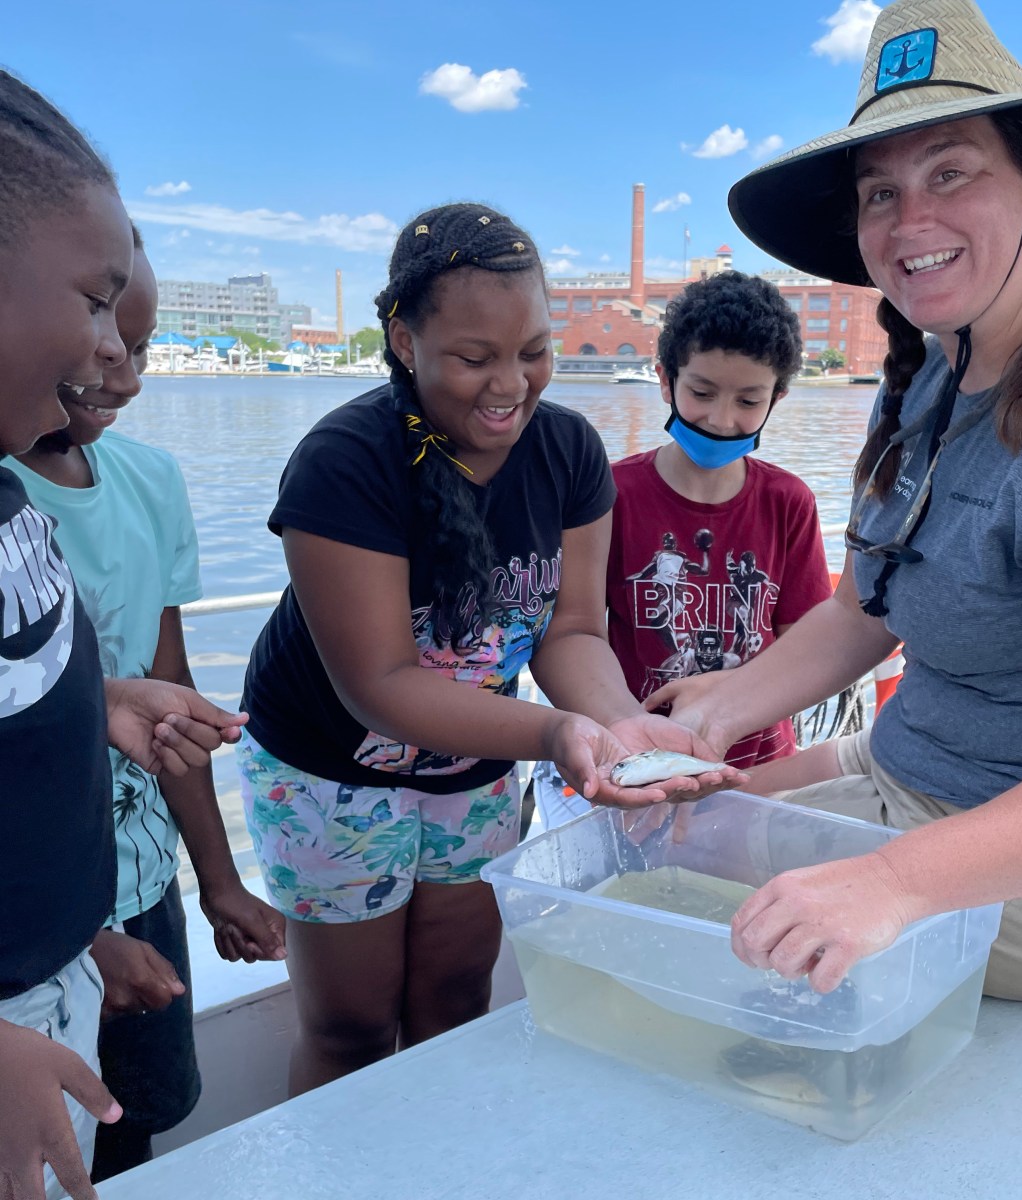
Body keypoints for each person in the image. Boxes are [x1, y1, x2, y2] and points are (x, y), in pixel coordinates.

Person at [649, 0, 1022, 1006]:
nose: (910, 223)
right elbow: (869, 606)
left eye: (951, 172)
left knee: (681, 906)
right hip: (919, 772)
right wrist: (711, 718)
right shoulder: (937, 373)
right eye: (880, 192)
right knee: (661, 829)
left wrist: (890, 885)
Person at [236, 203, 743, 1096]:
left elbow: (571, 630)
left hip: (474, 759)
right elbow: (380, 684)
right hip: (327, 765)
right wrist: (552, 736)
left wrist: (626, 732)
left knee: (456, 993)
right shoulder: (343, 463)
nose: (510, 385)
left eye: (533, 351)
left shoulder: (568, 452)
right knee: (352, 1027)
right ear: (403, 339)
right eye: (474, 358)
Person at [0, 71, 246, 1200]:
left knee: (142, 1118)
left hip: (82, 935)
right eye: (98, 305)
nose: (114, 356)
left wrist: (97, 704)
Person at [606, 271, 831, 770]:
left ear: (777, 400)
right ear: (666, 380)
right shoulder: (612, 494)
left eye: (748, 401)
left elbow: (807, 646)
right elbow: (580, 634)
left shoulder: (788, 503)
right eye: (702, 393)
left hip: (759, 767)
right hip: (640, 758)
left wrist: (729, 688)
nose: (722, 419)